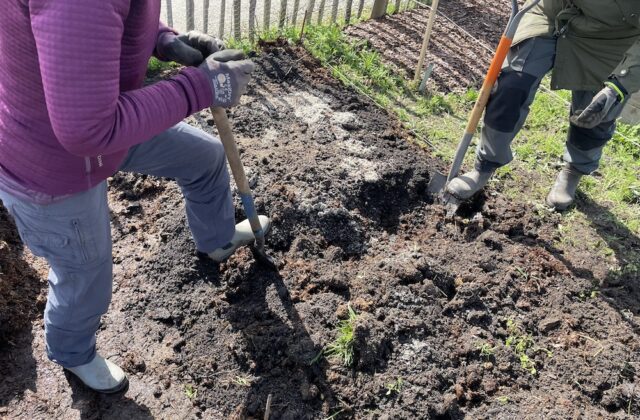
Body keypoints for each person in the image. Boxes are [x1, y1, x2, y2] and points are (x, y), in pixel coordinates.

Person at [0, 1, 270, 393]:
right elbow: (86, 131)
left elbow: (100, 28)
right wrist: (201, 86)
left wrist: (163, 40)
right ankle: (72, 351)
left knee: (204, 156)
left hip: (99, 119)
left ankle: (216, 239)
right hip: (52, 159)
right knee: (85, 272)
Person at [447, 0, 640, 210]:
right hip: (551, 15)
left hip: (611, 39)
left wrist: (619, 85)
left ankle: (574, 170)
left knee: (597, 110)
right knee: (512, 84)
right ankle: (485, 165)